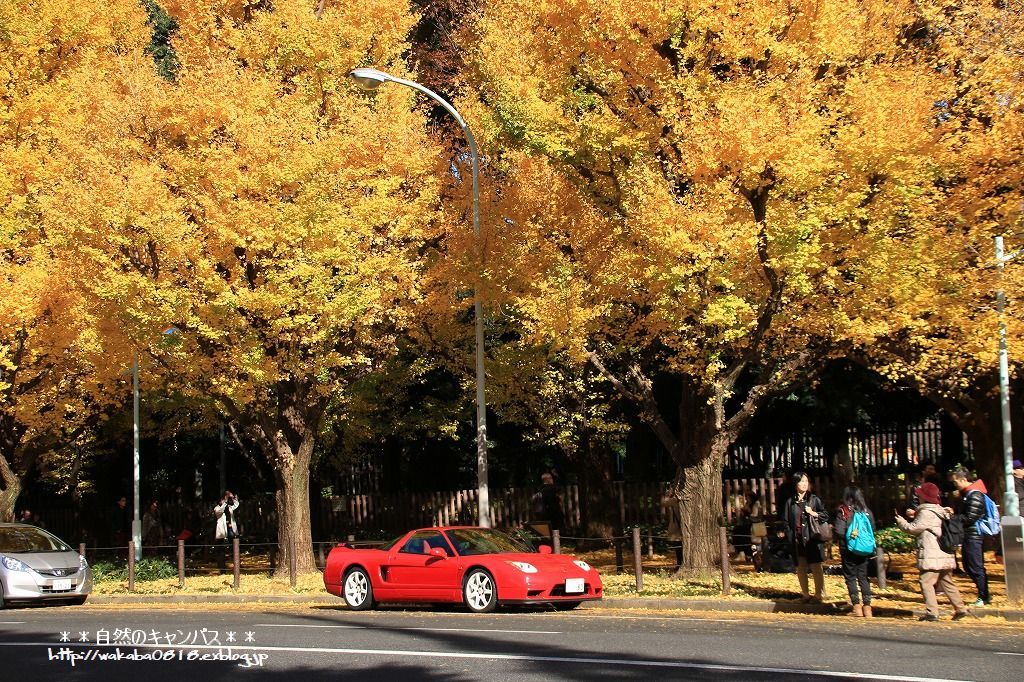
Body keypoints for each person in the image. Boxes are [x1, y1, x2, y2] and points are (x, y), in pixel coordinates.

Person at [895, 482, 969, 621]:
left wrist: (901, 522)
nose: (918, 497)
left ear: (924, 497)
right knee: (947, 581)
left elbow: (913, 528)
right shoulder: (940, 510)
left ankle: (932, 612)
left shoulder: (926, 512)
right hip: (944, 552)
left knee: (926, 582)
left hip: (932, 552)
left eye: (920, 495)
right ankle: (960, 609)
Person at [780, 471, 829, 602]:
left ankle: (819, 594)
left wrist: (813, 513)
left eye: (806, 481)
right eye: (801, 481)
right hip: (797, 539)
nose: (804, 484)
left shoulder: (814, 499)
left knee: (816, 566)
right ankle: (805, 594)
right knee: (800, 567)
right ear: (796, 483)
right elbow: (785, 521)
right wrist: (790, 534)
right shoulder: (790, 502)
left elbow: (825, 515)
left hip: (812, 538)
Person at [947, 467, 990, 606]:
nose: (955, 485)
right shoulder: (968, 494)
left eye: (956, 482)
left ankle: (983, 596)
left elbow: (970, 517)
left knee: (975, 566)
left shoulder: (975, 494)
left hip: (974, 535)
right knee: (969, 565)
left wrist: (954, 517)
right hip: (969, 534)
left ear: (964, 479)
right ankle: (983, 594)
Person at [833, 486, 875, 617]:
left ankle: (856, 607)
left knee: (850, 577)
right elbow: (872, 529)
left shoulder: (844, 511)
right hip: (864, 550)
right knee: (863, 577)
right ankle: (868, 607)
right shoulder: (867, 511)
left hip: (848, 549)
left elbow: (839, 531)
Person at [214, 490, 240, 572]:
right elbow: (221, 510)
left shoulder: (229, 507)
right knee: (221, 551)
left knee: (234, 548)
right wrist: (225, 500)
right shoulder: (217, 508)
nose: (224, 501)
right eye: (222, 500)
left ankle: (236, 567)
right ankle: (222, 569)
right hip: (222, 532)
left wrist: (232, 497)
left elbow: (236, 505)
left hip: (230, 530)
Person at [661, 489, 683, 571]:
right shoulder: (678, 499)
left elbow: (664, 503)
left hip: (677, 527)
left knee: (678, 546)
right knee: (679, 546)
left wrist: (667, 495)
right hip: (679, 526)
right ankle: (680, 563)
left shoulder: (675, 500)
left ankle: (679, 564)